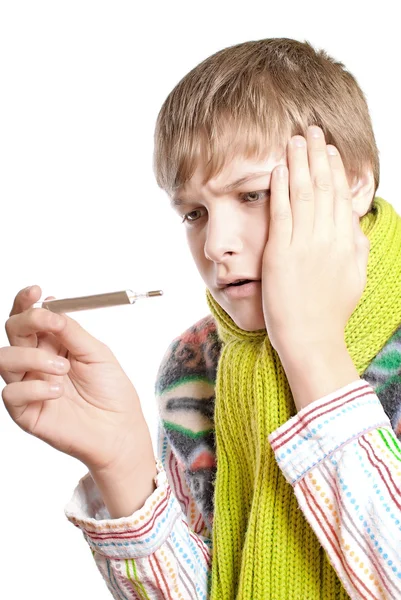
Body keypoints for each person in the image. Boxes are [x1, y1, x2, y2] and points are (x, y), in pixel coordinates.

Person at [2, 37, 401, 600]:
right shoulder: (196, 363)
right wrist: (122, 461)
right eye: (194, 212)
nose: (215, 244)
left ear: (354, 183)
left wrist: (312, 351)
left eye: (253, 195)